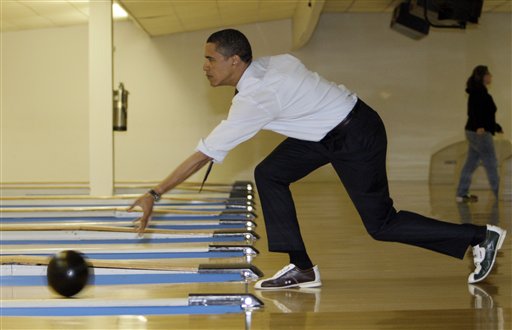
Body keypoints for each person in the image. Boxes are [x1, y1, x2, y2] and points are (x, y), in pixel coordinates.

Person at [129, 29, 507, 289]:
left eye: (211, 59)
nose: (205, 66)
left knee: (382, 224)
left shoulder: (256, 97)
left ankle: (480, 236)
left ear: (235, 61)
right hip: (325, 131)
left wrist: (155, 193)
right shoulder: (272, 63)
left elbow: (204, 154)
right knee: (270, 173)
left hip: (355, 134)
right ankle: (302, 267)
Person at [455, 65, 503, 203]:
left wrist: (495, 126)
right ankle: (499, 193)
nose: (491, 77)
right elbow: (473, 112)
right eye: (489, 74)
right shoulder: (478, 92)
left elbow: (486, 114)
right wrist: (480, 127)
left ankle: (461, 194)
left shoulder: (480, 91)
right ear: (483, 76)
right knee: (491, 163)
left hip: (474, 131)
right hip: (479, 133)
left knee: (471, 163)